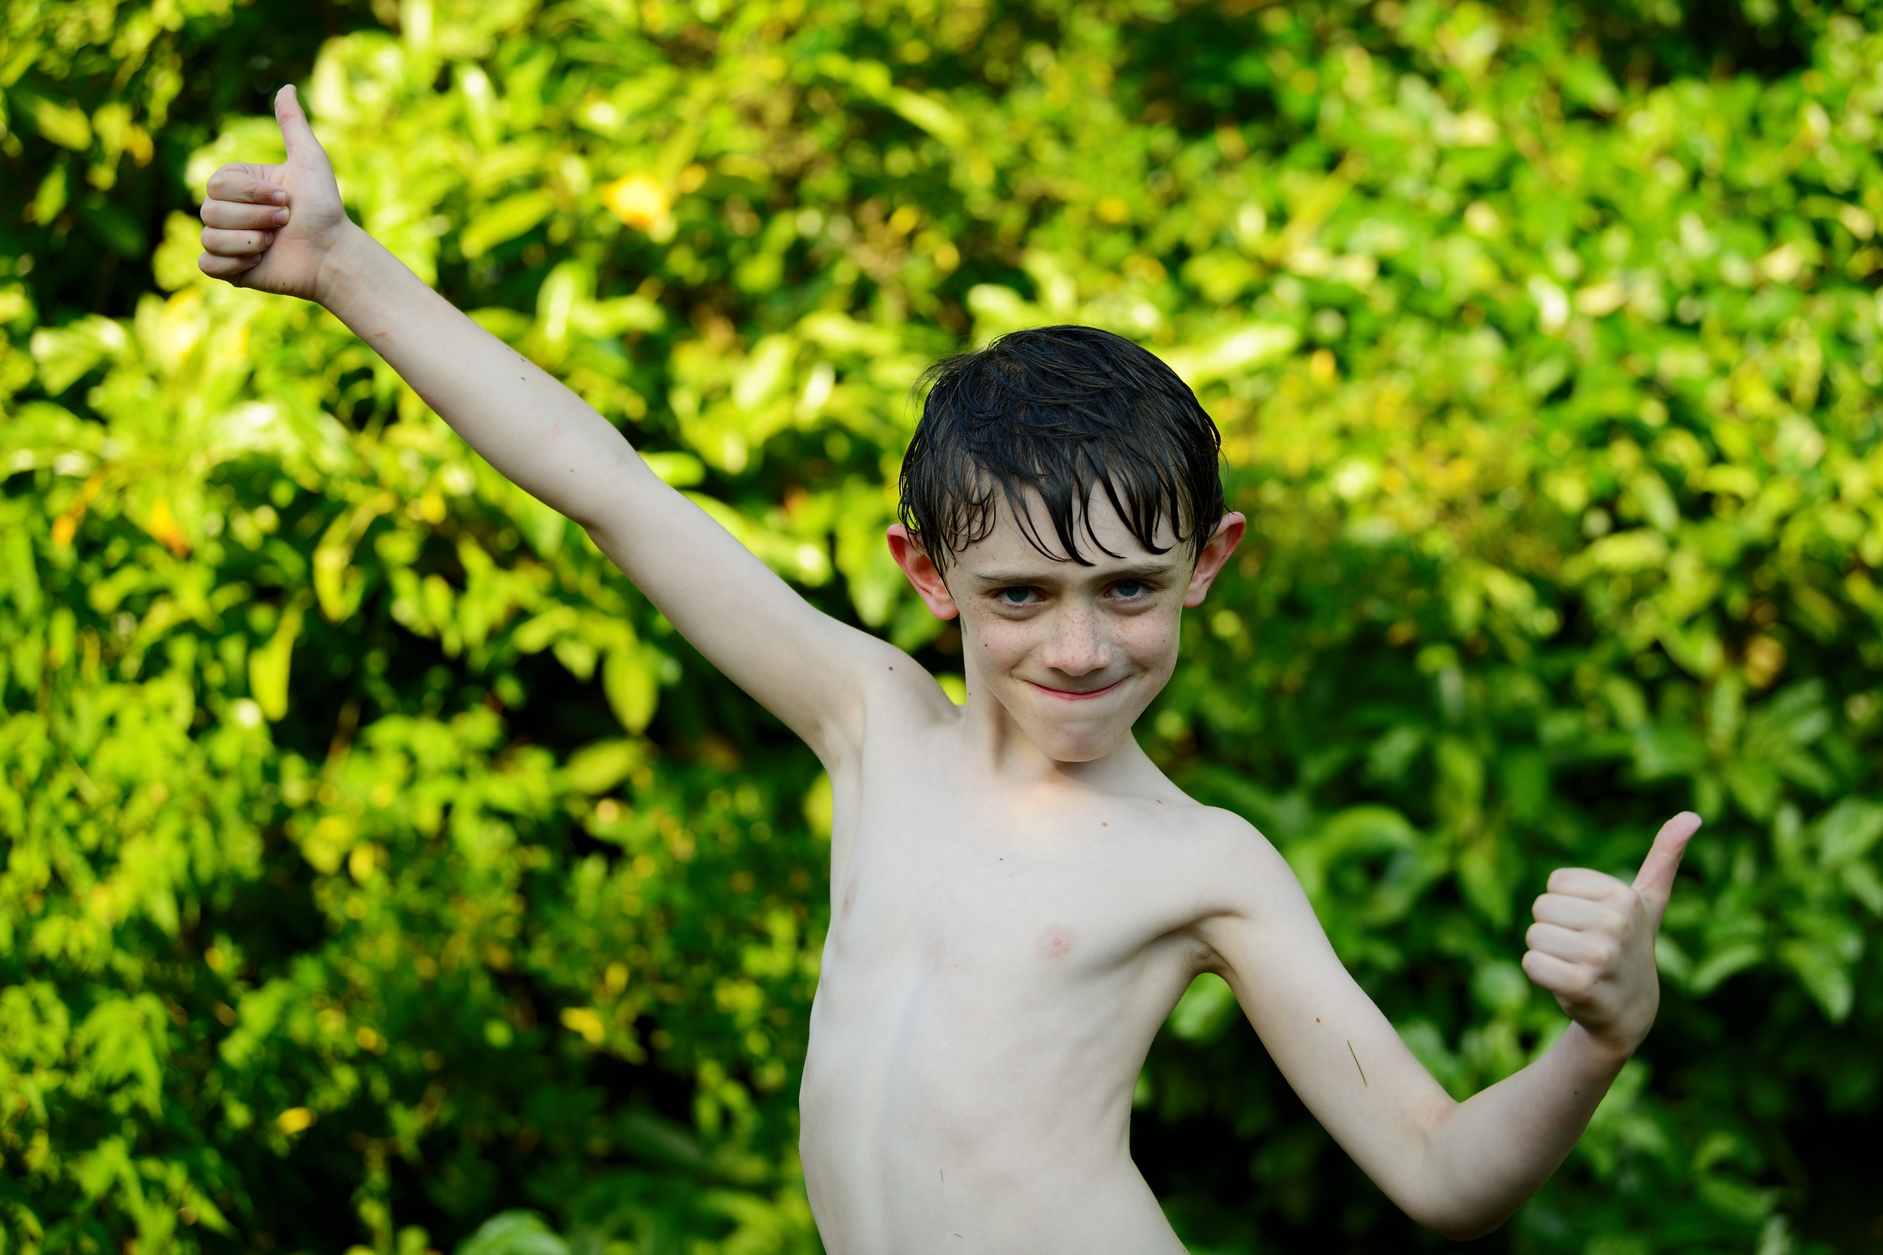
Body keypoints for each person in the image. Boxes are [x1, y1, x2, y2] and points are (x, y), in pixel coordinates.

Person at [198, 84, 1700, 1253]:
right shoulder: (873, 723)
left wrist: (1604, 1033)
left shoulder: (1203, 863)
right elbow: (610, 488)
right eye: (1021, 594)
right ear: (928, 575)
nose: (1080, 645)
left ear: (1208, 561)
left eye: (1130, 588)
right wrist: (343, 269)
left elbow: (1442, 1174)